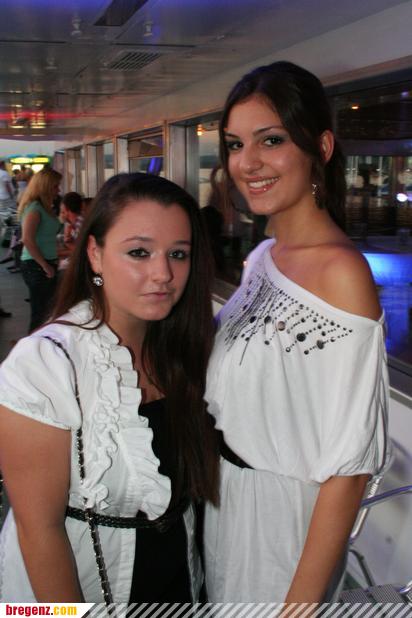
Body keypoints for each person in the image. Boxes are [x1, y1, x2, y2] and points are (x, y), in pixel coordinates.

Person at [203, 61, 389, 604]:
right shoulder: (264, 255)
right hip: (224, 501)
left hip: (279, 527)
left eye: (271, 140)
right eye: (235, 145)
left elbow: (349, 468)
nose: (247, 162)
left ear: (320, 147)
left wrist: (299, 605)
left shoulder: (341, 272)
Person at [0, 172, 218, 603]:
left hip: (181, 585)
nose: (163, 273)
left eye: (178, 254)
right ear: (95, 255)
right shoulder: (45, 364)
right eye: (139, 252)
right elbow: (38, 531)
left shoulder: (183, 347)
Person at [18, 168, 62, 332]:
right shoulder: (35, 208)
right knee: (41, 312)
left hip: (46, 262)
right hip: (35, 265)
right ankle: (33, 344)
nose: (58, 190)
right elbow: (27, 239)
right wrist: (44, 265)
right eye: (55, 186)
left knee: (47, 310)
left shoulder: (45, 207)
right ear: (45, 186)